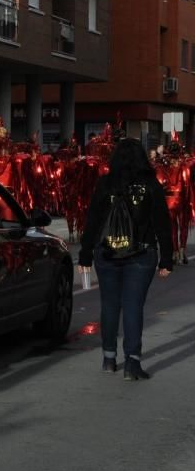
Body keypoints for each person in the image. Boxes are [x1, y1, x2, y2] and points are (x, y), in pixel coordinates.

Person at [78, 138, 172, 381]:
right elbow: (162, 223)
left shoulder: (105, 184)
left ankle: (109, 358)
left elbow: (93, 221)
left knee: (109, 306)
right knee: (133, 307)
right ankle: (132, 362)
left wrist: (85, 254)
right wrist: (167, 259)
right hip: (141, 254)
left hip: (107, 253)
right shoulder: (150, 184)